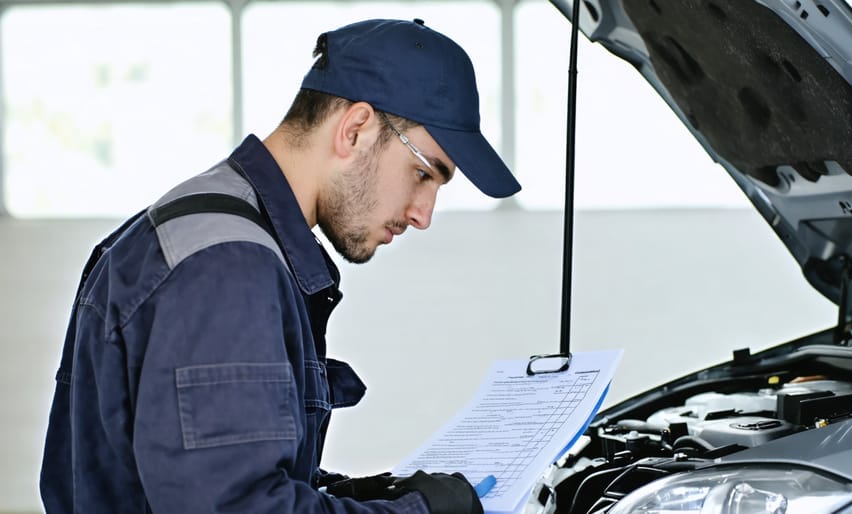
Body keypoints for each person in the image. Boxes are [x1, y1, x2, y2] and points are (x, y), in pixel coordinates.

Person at [39, 18, 520, 514]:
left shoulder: (209, 228)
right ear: (355, 129)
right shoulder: (227, 268)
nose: (423, 214)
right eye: (422, 174)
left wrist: (362, 493)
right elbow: (236, 506)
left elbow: (224, 474)